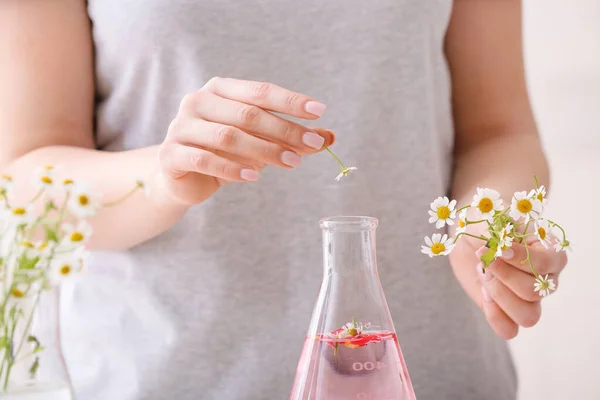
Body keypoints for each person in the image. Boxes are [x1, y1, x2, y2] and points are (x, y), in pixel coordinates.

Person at [0, 0, 568, 399]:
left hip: (434, 378)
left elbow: (499, 131)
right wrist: (162, 176)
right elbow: (26, 178)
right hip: (168, 378)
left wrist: (488, 219)